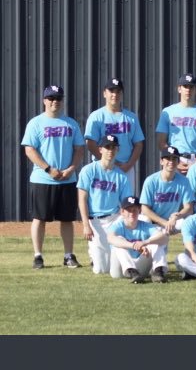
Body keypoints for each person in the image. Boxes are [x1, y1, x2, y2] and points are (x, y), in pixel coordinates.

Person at [23, 84, 86, 269]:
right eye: (51, 98)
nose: (54, 102)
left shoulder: (71, 123)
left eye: (58, 98)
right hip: (43, 179)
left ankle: (68, 256)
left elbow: (79, 149)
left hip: (67, 178)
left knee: (67, 219)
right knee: (39, 218)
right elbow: (29, 150)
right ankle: (38, 256)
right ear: (44, 101)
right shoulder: (36, 123)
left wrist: (71, 169)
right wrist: (48, 169)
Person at [77, 134, 133, 275]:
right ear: (100, 149)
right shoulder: (89, 170)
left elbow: (126, 203)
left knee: (115, 265)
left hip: (114, 218)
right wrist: (85, 225)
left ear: (117, 150)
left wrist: (127, 224)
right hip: (95, 221)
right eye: (107, 147)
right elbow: (82, 198)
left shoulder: (121, 175)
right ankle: (94, 253)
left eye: (114, 147)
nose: (111, 151)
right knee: (101, 270)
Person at [84, 78, 144, 192]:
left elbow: (138, 144)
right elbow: (90, 143)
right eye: (111, 91)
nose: (114, 94)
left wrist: (129, 165)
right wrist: (108, 161)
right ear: (104, 93)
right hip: (103, 167)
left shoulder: (131, 117)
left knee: (127, 204)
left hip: (126, 167)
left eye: (118, 91)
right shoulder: (96, 116)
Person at [156, 74, 196, 174]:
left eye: (191, 87)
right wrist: (175, 161)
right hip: (174, 160)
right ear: (179, 89)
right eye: (185, 86)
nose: (188, 90)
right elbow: (161, 142)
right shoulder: (168, 112)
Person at [106, 196, 169, 284]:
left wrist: (145, 243)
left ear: (139, 211)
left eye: (134, 210)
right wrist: (133, 246)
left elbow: (164, 238)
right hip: (119, 270)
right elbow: (111, 238)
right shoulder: (117, 226)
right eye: (128, 210)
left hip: (139, 269)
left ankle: (158, 271)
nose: (132, 213)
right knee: (119, 243)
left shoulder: (145, 225)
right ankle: (131, 271)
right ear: (122, 212)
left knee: (155, 242)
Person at [139, 146, 195, 235]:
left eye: (174, 159)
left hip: (172, 222)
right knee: (143, 219)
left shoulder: (184, 181)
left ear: (178, 162)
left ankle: (188, 248)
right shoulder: (151, 180)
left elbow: (189, 208)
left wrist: (176, 217)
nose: (171, 162)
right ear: (161, 161)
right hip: (153, 222)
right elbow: (144, 208)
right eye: (168, 158)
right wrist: (164, 223)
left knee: (189, 221)